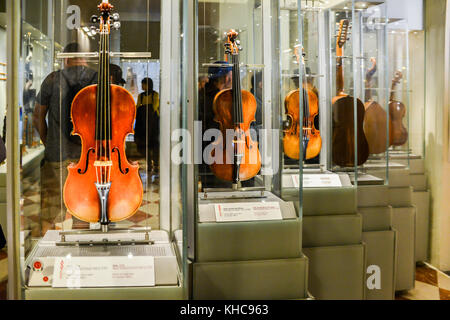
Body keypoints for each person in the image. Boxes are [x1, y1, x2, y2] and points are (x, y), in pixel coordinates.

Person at [33, 42, 97, 233]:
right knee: (82, 211)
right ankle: (79, 251)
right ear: (84, 57)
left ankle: (47, 257)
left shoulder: (52, 79)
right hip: (87, 155)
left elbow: (37, 116)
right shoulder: (95, 78)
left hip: (56, 154)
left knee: (50, 211)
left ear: (65, 59)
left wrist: (49, 143)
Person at [135, 77, 160, 171]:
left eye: (143, 84)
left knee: (154, 145)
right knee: (145, 145)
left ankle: (156, 164)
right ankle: (149, 163)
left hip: (153, 125)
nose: (142, 86)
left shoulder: (155, 95)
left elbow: (154, 107)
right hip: (143, 124)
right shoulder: (140, 96)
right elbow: (137, 107)